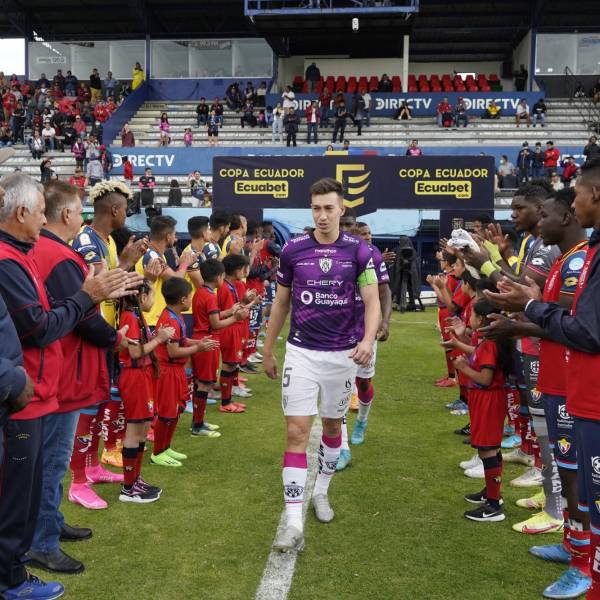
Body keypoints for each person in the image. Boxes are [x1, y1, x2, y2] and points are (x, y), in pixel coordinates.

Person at [0, 174, 133, 598]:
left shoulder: (29, 252)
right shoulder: (36, 256)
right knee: (36, 477)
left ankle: (42, 533)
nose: (43, 220)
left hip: (40, 382)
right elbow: (43, 325)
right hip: (37, 386)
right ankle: (28, 557)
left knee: (39, 474)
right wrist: (103, 319)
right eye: (41, 212)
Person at [481, 158, 600, 598]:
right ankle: (575, 546)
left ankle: (585, 563)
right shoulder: (570, 259)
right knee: (570, 473)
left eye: (545, 214)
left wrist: (522, 318)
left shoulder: (578, 261)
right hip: (560, 378)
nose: (537, 222)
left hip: (573, 383)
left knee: (579, 477)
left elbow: (576, 327)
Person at [263, 177, 380, 553]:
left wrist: (367, 340)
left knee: (332, 427)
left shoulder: (359, 252)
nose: (322, 215)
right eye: (316, 208)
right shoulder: (293, 250)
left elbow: (373, 301)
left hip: (342, 356)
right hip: (301, 353)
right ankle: (293, 523)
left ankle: (322, 492)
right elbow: (281, 303)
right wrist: (268, 349)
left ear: (342, 209)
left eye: (329, 208)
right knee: (296, 432)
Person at [454, 298, 512, 522]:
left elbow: (486, 379)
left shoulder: (489, 344)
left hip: (488, 399)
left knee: (487, 449)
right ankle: (491, 492)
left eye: (472, 315)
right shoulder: (488, 341)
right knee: (489, 448)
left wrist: (463, 368)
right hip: (485, 400)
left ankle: (494, 505)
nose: (469, 318)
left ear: (480, 319)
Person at [152, 278, 218, 466]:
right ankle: (157, 452)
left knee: (177, 409)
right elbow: (173, 352)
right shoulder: (170, 320)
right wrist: (198, 349)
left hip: (176, 370)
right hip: (168, 371)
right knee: (167, 411)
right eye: (190, 296)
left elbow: (182, 341)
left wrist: (198, 342)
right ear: (182, 299)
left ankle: (166, 447)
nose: (191, 299)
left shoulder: (175, 315)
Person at [117, 280, 169, 499]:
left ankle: (135, 479)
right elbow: (136, 352)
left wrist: (156, 337)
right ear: (142, 297)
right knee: (134, 430)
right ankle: (128, 489)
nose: (154, 301)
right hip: (134, 377)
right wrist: (159, 339)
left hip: (143, 376)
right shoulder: (129, 316)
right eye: (153, 295)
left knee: (142, 430)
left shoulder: (136, 315)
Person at [346, 222, 392, 455]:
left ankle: (362, 421)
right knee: (341, 383)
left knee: (363, 382)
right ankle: (339, 441)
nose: (367, 237)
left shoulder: (373, 255)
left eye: (368, 233)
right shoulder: (337, 253)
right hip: (340, 328)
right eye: (362, 234)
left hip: (365, 328)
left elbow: (384, 292)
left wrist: (385, 321)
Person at [191, 258, 242, 435]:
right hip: (208, 341)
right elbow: (216, 323)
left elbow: (212, 316)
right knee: (204, 384)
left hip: (200, 338)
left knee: (199, 383)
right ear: (219, 276)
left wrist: (229, 311)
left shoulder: (200, 292)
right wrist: (235, 318)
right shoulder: (211, 296)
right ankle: (198, 426)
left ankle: (197, 421)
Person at [134, 216, 194, 328]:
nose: (176, 238)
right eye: (174, 234)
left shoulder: (157, 254)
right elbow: (176, 281)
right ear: (168, 236)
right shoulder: (152, 256)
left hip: (155, 318)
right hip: (151, 319)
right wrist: (185, 264)